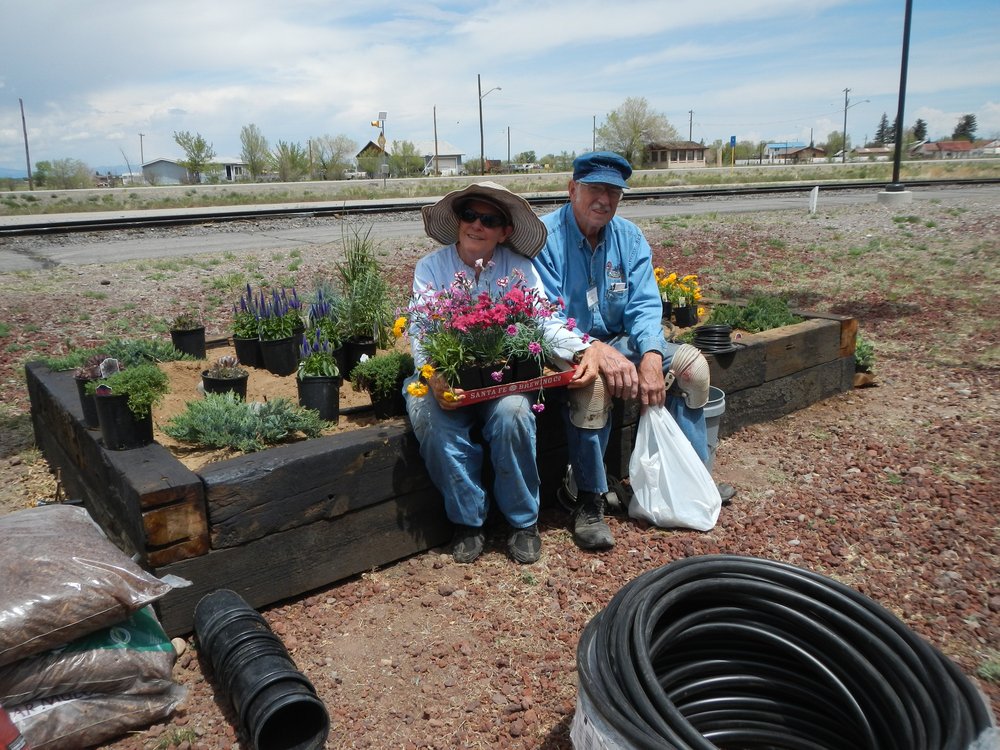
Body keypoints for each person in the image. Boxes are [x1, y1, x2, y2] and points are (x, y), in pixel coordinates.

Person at [534, 151, 735, 551]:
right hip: (565, 346)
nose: (604, 200)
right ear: (572, 188)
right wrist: (593, 350)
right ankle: (589, 501)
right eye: (595, 189)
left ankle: (691, 477)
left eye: (614, 192)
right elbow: (545, 317)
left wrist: (651, 357)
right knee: (592, 387)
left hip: (620, 340)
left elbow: (644, 306)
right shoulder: (546, 239)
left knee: (692, 369)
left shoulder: (628, 238)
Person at [403, 182, 583, 565]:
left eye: (489, 219)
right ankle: (469, 520)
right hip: (443, 373)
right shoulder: (431, 267)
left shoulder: (517, 268)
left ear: (505, 231)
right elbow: (420, 332)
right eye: (469, 214)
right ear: (457, 220)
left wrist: (579, 349)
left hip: (503, 376)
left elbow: (543, 320)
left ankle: (523, 521)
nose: (476, 225)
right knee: (432, 420)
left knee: (514, 413)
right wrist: (433, 376)